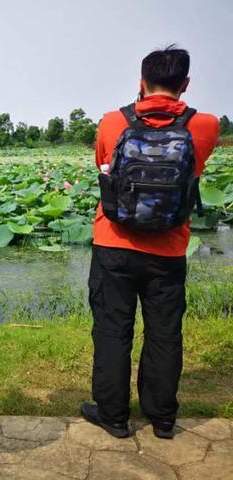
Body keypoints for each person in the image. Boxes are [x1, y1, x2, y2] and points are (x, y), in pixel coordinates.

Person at [81, 46, 220, 439]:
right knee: (164, 333)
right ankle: (161, 418)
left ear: (141, 83)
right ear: (186, 84)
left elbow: (103, 166)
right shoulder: (205, 126)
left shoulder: (112, 122)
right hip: (170, 250)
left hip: (114, 244)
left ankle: (113, 416)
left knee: (112, 330)